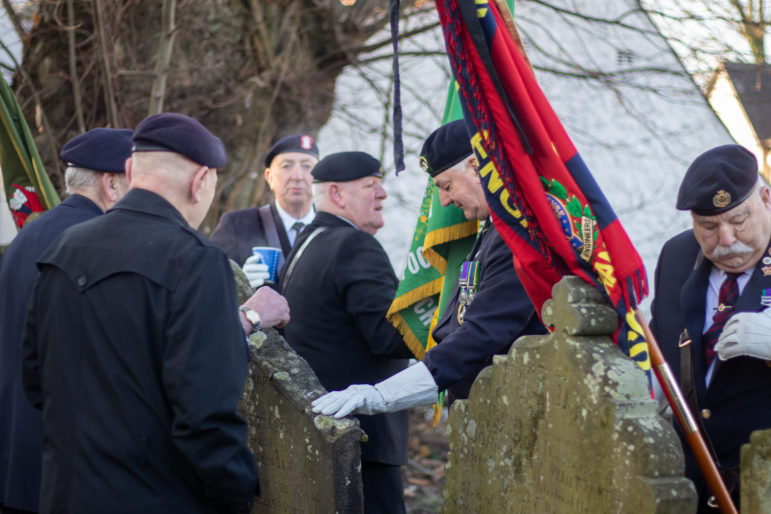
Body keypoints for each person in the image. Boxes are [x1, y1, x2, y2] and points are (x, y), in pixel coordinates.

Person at [21, 113, 289, 514]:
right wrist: (237, 494)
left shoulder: (64, 247)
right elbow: (206, 417)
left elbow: (36, 379)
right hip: (155, 498)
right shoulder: (196, 262)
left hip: (64, 495)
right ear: (200, 183)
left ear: (130, 169)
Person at [311, 120, 545, 418]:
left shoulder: (519, 232)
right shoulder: (492, 232)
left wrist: (384, 395)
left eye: (447, 187)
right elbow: (454, 327)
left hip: (518, 413)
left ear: (476, 167)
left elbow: (483, 332)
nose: (445, 201)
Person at [0, 128, 133, 514]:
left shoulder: (34, 232)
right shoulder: (94, 242)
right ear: (111, 184)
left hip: (18, 455)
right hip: (65, 466)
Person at [280, 151, 413, 514]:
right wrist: (445, 311)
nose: (383, 194)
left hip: (321, 432)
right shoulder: (355, 245)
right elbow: (389, 337)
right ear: (337, 194)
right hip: (363, 438)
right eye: (371, 185)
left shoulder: (307, 242)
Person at [649, 144, 771, 512]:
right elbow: (662, 349)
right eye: (708, 226)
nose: (726, 239)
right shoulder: (677, 256)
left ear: (765, 198)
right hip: (696, 484)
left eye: (738, 220)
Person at [211, 134, 319, 288]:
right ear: (269, 177)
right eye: (286, 166)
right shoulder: (237, 225)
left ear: (319, 178)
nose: (297, 176)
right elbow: (209, 281)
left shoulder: (333, 230)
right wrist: (238, 284)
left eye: (307, 166)